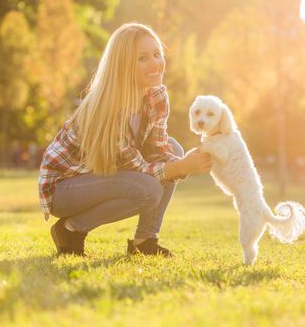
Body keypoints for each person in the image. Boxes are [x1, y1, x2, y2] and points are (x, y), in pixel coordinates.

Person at [38, 23, 211, 257]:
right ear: (124, 65)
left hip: (101, 175)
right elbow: (139, 169)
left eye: (157, 54)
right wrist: (181, 167)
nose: (155, 63)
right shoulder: (107, 108)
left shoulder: (156, 94)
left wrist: (186, 162)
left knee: (173, 147)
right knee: (148, 190)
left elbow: (159, 149)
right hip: (65, 188)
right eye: (142, 58)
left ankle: (144, 240)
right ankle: (70, 229)